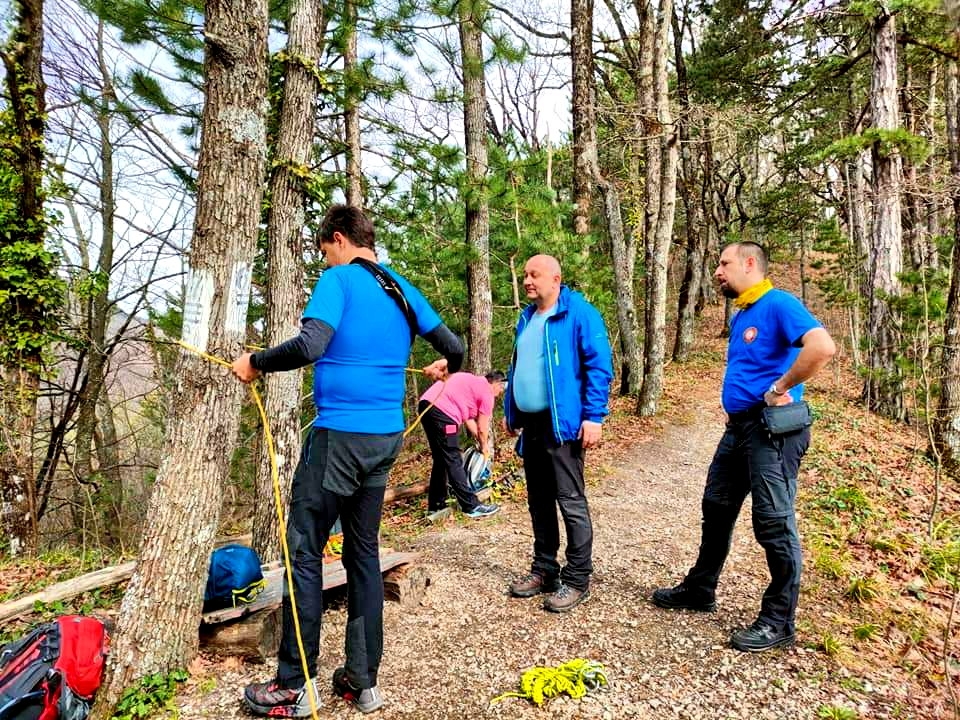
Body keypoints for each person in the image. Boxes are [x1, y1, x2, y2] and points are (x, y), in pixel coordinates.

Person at [231, 205, 463, 717]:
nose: (325, 261)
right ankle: (362, 680)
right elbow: (455, 347)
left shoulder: (339, 280)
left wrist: (256, 362)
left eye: (324, 252)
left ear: (338, 239)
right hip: (384, 439)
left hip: (339, 437)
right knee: (362, 553)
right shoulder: (400, 287)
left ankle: (293, 684)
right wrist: (445, 366)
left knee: (303, 550)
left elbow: (311, 345)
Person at [652, 241, 836, 653]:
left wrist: (781, 387)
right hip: (739, 429)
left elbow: (822, 347)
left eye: (724, 263)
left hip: (772, 432)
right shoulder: (743, 314)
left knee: (773, 522)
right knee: (716, 507)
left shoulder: (779, 304)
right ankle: (700, 588)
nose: (717, 271)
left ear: (749, 263)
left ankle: (779, 620)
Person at [503, 254, 613, 613]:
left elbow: (599, 366)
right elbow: (519, 368)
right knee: (539, 501)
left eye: (534, 274)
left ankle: (578, 578)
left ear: (555, 278)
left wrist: (594, 416)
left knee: (570, 501)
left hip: (563, 424)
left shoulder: (579, 314)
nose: (527, 281)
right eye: (525, 275)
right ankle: (545, 569)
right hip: (532, 425)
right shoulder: (527, 317)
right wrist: (511, 410)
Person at [418, 370, 506, 518]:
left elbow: (468, 420)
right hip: (443, 412)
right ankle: (471, 506)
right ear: (496, 383)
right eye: (502, 388)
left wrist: (480, 440)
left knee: (441, 458)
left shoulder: (471, 381)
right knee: (453, 457)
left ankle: (436, 505)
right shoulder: (487, 393)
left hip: (426, 406)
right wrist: (484, 446)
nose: (501, 392)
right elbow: (483, 428)